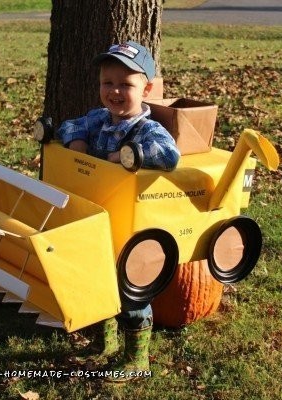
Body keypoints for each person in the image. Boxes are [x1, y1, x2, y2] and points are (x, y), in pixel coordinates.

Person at [57, 40, 180, 382]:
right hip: (96, 218)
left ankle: (135, 358)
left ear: (147, 89)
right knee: (97, 280)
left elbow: (169, 155)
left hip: (130, 224)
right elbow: (71, 124)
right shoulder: (98, 118)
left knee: (129, 289)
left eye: (125, 84)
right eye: (107, 83)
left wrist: (126, 154)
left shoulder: (147, 129)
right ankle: (104, 342)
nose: (114, 91)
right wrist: (77, 141)